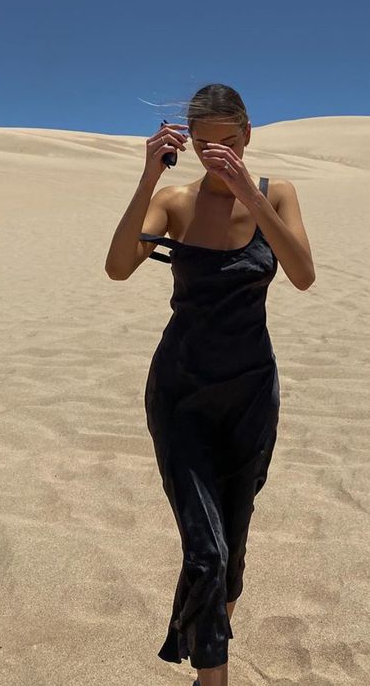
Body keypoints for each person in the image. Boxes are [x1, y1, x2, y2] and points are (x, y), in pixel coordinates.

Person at [105, 84, 315, 686]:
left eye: (228, 141)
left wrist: (249, 190)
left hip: (251, 395)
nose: (217, 152)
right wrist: (148, 177)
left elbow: (301, 274)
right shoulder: (172, 201)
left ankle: (207, 646)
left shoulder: (279, 193)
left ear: (248, 134)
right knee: (206, 552)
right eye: (204, 144)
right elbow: (119, 266)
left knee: (233, 546)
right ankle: (213, 678)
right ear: (189, 145)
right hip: (181, 394)